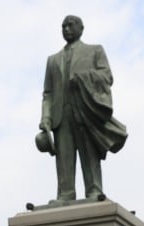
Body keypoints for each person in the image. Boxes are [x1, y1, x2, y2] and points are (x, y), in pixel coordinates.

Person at [40, 15, 127, 203]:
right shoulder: (52, 60)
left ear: (81, 28)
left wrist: (81, 77)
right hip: (60, 116)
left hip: (85, 111)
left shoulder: (94, 51)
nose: (66, 29)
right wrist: (45, 118)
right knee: (64, 158)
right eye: (63, 26)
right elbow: (48, 93)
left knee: (90, 154)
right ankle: (65, 194)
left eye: (70, 25)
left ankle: (94, 191)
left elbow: (107, 76)